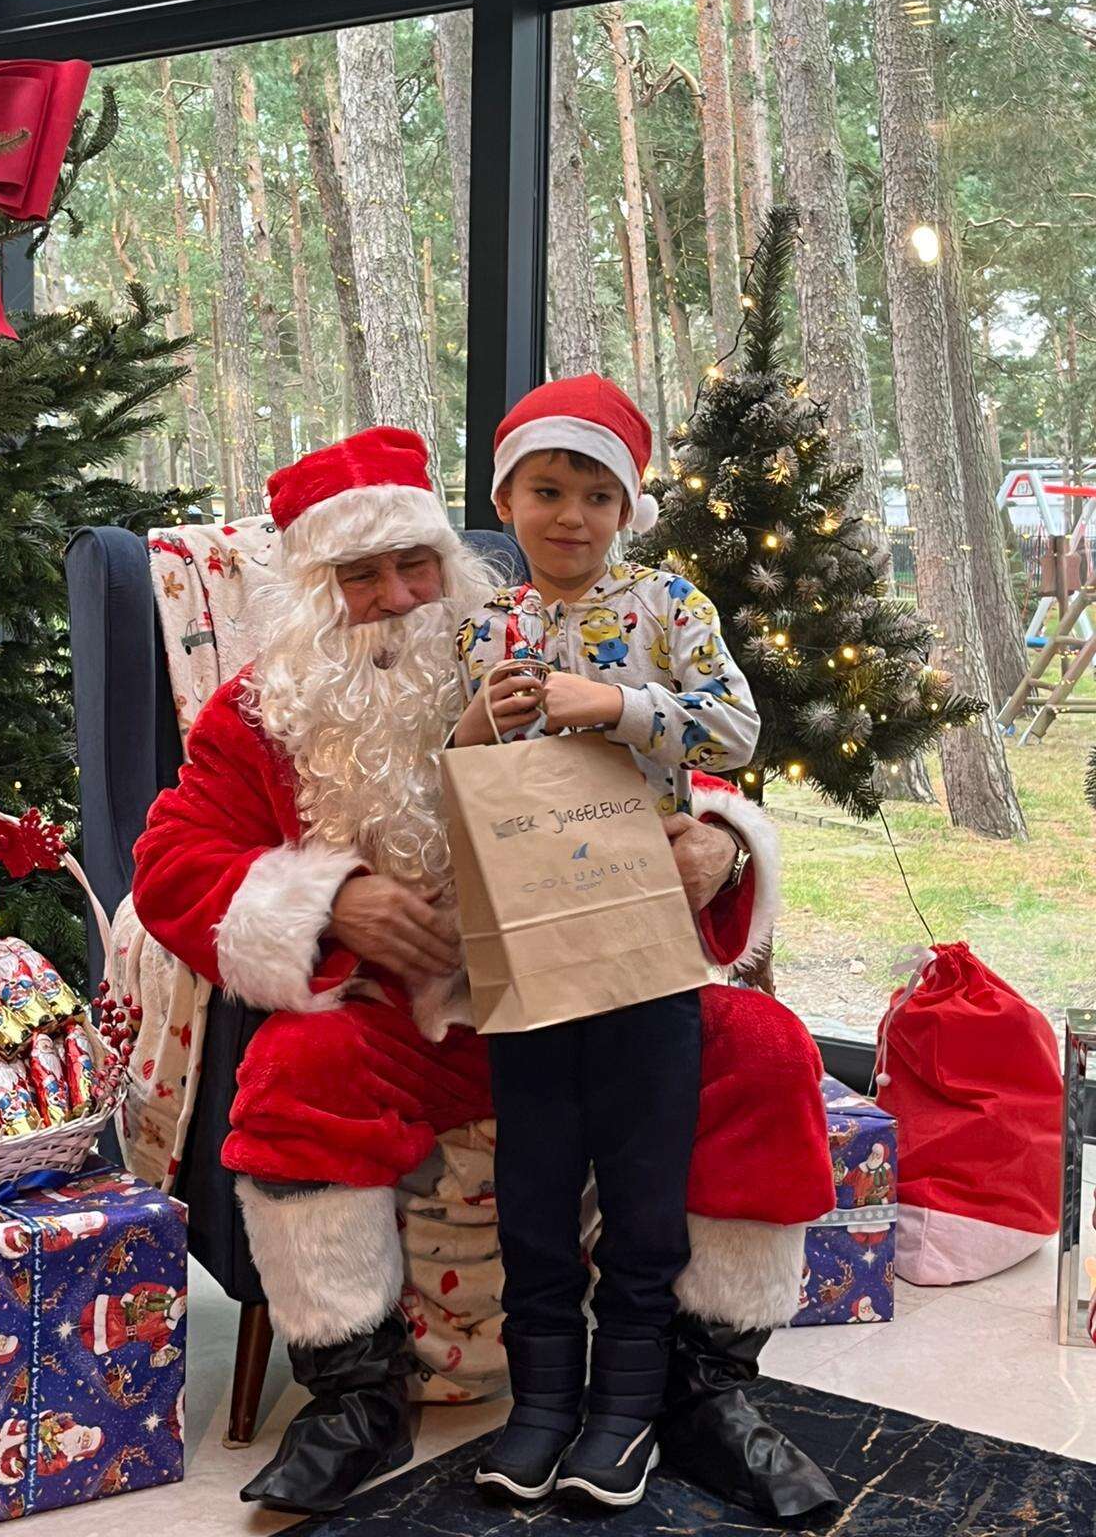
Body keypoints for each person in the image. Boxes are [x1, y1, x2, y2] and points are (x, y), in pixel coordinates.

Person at [130, 425, 837, 1521]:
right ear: (312, 592)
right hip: (413, 1026)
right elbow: (171, 866)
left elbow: (671, 765)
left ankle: (701, 1387)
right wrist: (331, 900)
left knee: (765, 1051)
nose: (398, 597)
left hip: (596, 989)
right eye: (360, 576)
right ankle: (357, 1397)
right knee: (297, 1072)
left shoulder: (539, 642)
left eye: (416, 564)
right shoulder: (263, 715)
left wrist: (724, 845)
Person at [451, 373, 766, 1509]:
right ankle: (542, 1407)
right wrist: (476, 721)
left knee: (641, 1180)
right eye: (547, 490)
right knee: (534, 1183)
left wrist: (616, 706)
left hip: (644, 940)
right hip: (530, 940)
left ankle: (624, 1414)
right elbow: (457, 774)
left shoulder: (669, 604)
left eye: (597, 494)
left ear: (627, 507)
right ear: (507, 499)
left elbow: (737, 725)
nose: (572, 516)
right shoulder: (484, 623)